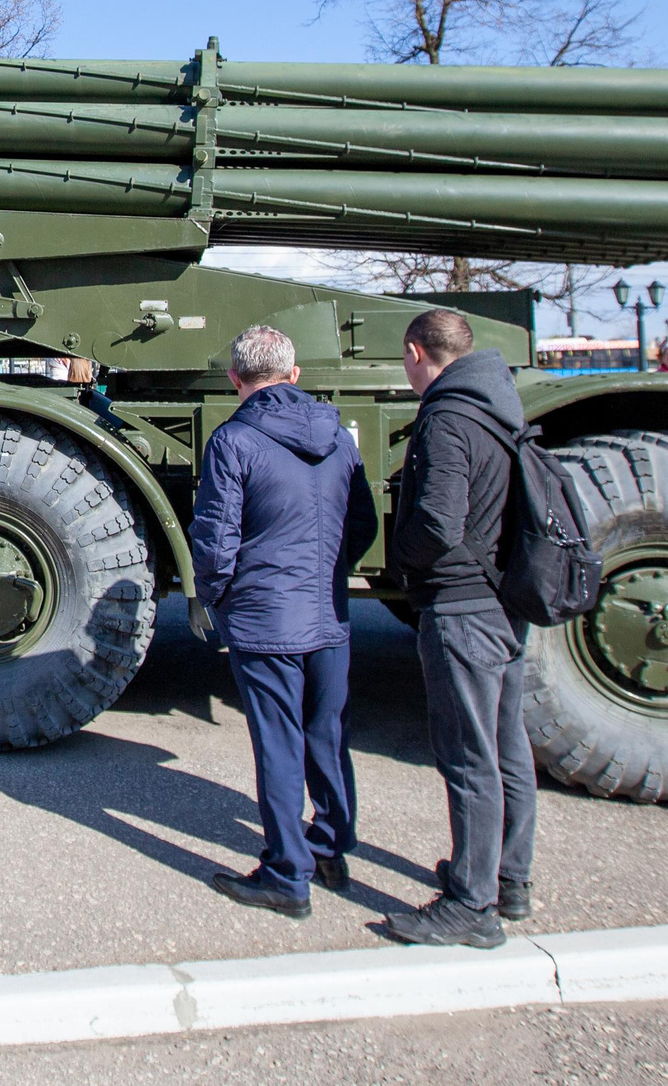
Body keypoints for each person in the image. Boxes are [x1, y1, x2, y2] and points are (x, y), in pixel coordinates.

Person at [192, 323, 378, 920]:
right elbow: (363, 524)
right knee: (327, 732)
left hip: (265, 617)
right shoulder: (338, 435)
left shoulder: (232, 440)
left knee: (278, 742)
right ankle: (330, 849)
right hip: (328, 613)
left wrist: (218, 599)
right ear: (295, 375)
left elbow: (216, 541)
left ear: (234, 379)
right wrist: (330, 574)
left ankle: (285, 876)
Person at [388, 306, 536, 949]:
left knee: (468, 758)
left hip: (461, 608)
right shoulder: (498, 407)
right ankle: (508, 881)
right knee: (507, 751)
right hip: (502, 603)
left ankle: (471, 908)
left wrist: (402, 562)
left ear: (417, 352)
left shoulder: (447, 417)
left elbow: (438, 523)